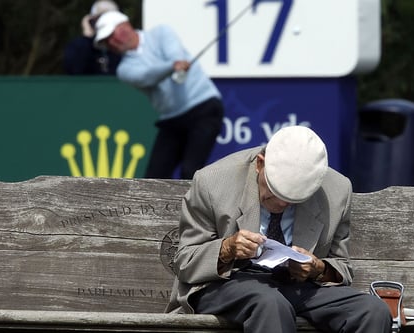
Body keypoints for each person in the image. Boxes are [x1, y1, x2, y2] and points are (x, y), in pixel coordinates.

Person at [165, 126, 394, 333]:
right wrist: (227, 249)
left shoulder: (337, 190)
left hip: (297, 286)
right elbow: (184, 262)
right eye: (275, 192)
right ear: (260, 164)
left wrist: (318, 268)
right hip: (226, 284)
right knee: (270, 303)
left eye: (294, 200)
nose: (282, 205)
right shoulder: (213, 181)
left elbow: (341, 267)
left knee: (372, 311)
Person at [93, 11, 224, 179]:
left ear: (125, 25)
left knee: (190, 172)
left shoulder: (160, 32)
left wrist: (176, 62)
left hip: (205, 108)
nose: (112, 42)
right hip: (172, 120)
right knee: (153, 178)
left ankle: (192, 206)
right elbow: (147, 76)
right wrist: (172, 66)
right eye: (107, 41)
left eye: (113, 34)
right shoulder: (124, 70)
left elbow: (174, 52)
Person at [62, 0, 122, 75]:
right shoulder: (79, 45)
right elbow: (73, 71)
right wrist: (87, 37)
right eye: (101, 18)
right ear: (92, 21)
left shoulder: (123, 47)